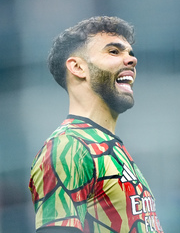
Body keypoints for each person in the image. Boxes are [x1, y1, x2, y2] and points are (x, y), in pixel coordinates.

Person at [29, 16, 164, 233]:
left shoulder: (112, 147)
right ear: (78, 67)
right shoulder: (68, 146)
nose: (131, 60)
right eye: (113, 51)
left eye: (130, 53)